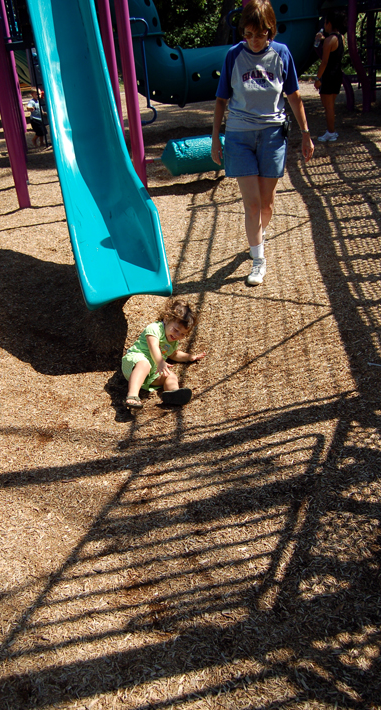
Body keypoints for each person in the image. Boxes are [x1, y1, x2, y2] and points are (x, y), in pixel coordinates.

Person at [211, 0, 314, 286]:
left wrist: (305, 133)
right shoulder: (233, 56)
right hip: (239, 136)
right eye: (248, 34)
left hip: (272, 135)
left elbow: (293, 96)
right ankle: (258, 259)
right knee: (252, 204)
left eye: (261, 34)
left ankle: (258, 237)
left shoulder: (282, 54)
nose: (254, 40)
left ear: (271, 32)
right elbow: (221, 100)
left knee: (267, 205)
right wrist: (215, 140)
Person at [122, 297, 206, 409]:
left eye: (182, 334)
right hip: (134, 364)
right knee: (144, 364)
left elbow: (174, 354)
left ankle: (173, 393)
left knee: (170, 375)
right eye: (176, 330)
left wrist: (190, 357)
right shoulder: (154, 329)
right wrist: (160, 362)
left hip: (151, 373)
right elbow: (153, 346)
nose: (177, 335)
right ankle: (132, 395)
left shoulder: (173, 342)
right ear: (166, 319)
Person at [314, 9, 346, 142]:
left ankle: (330, 132)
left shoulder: (328, 41)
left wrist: (317, 78)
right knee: (331, 105)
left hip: (328, 76)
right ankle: (332, 130)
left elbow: (324, 61)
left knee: (328, 107)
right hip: (337, 74)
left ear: (329, 23)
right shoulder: (341, 38)